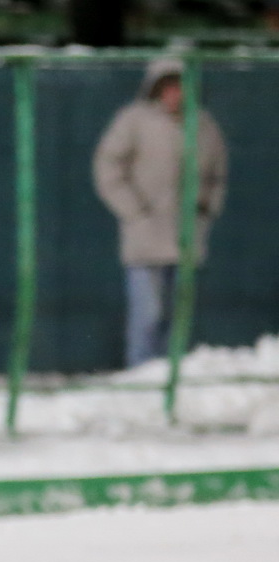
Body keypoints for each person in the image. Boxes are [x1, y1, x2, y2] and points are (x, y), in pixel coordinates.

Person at [92, 57, 228, 369]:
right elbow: (107, 167)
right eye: (167, 87)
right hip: (146, 239)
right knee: (148, 315)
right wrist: (134, 210)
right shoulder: (133, 121)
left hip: (187, 238)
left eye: (180, 86)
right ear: (155, 89)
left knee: (177, 316)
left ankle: (171, 379)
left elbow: (217, 176)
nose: (174, 94)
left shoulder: (204, 125)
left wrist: (207, 208)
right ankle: (142, 377)